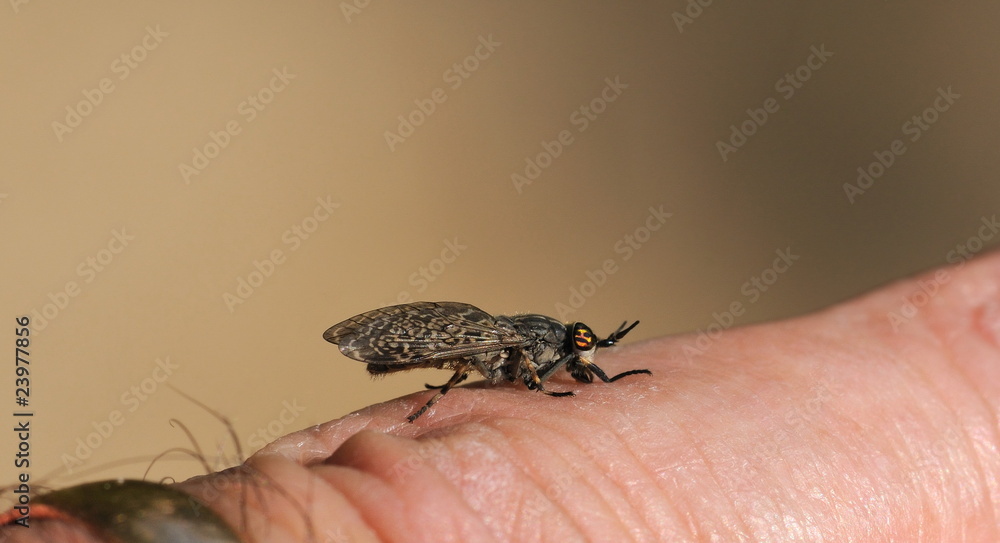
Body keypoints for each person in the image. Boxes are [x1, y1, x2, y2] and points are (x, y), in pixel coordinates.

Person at [13, 252, 1000, 541]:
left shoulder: (546, 350)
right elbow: (522, 365)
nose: (584, 361)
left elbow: (554, 365)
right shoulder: (522, 349)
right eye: (581, 353)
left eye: (585, 356)